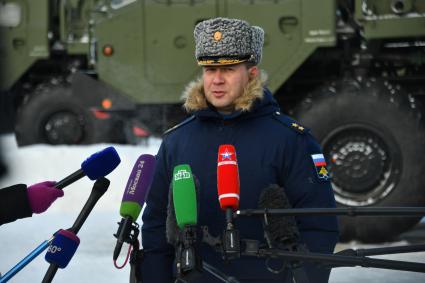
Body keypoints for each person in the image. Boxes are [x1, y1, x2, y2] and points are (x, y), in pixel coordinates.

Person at [140, 17, 339, 283]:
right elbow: (155, 226)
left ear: (252, 73)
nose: (217, 80)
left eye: (229, 69)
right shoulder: (177, 141)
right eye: (210, 70)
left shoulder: (291, 140)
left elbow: (319, 227)